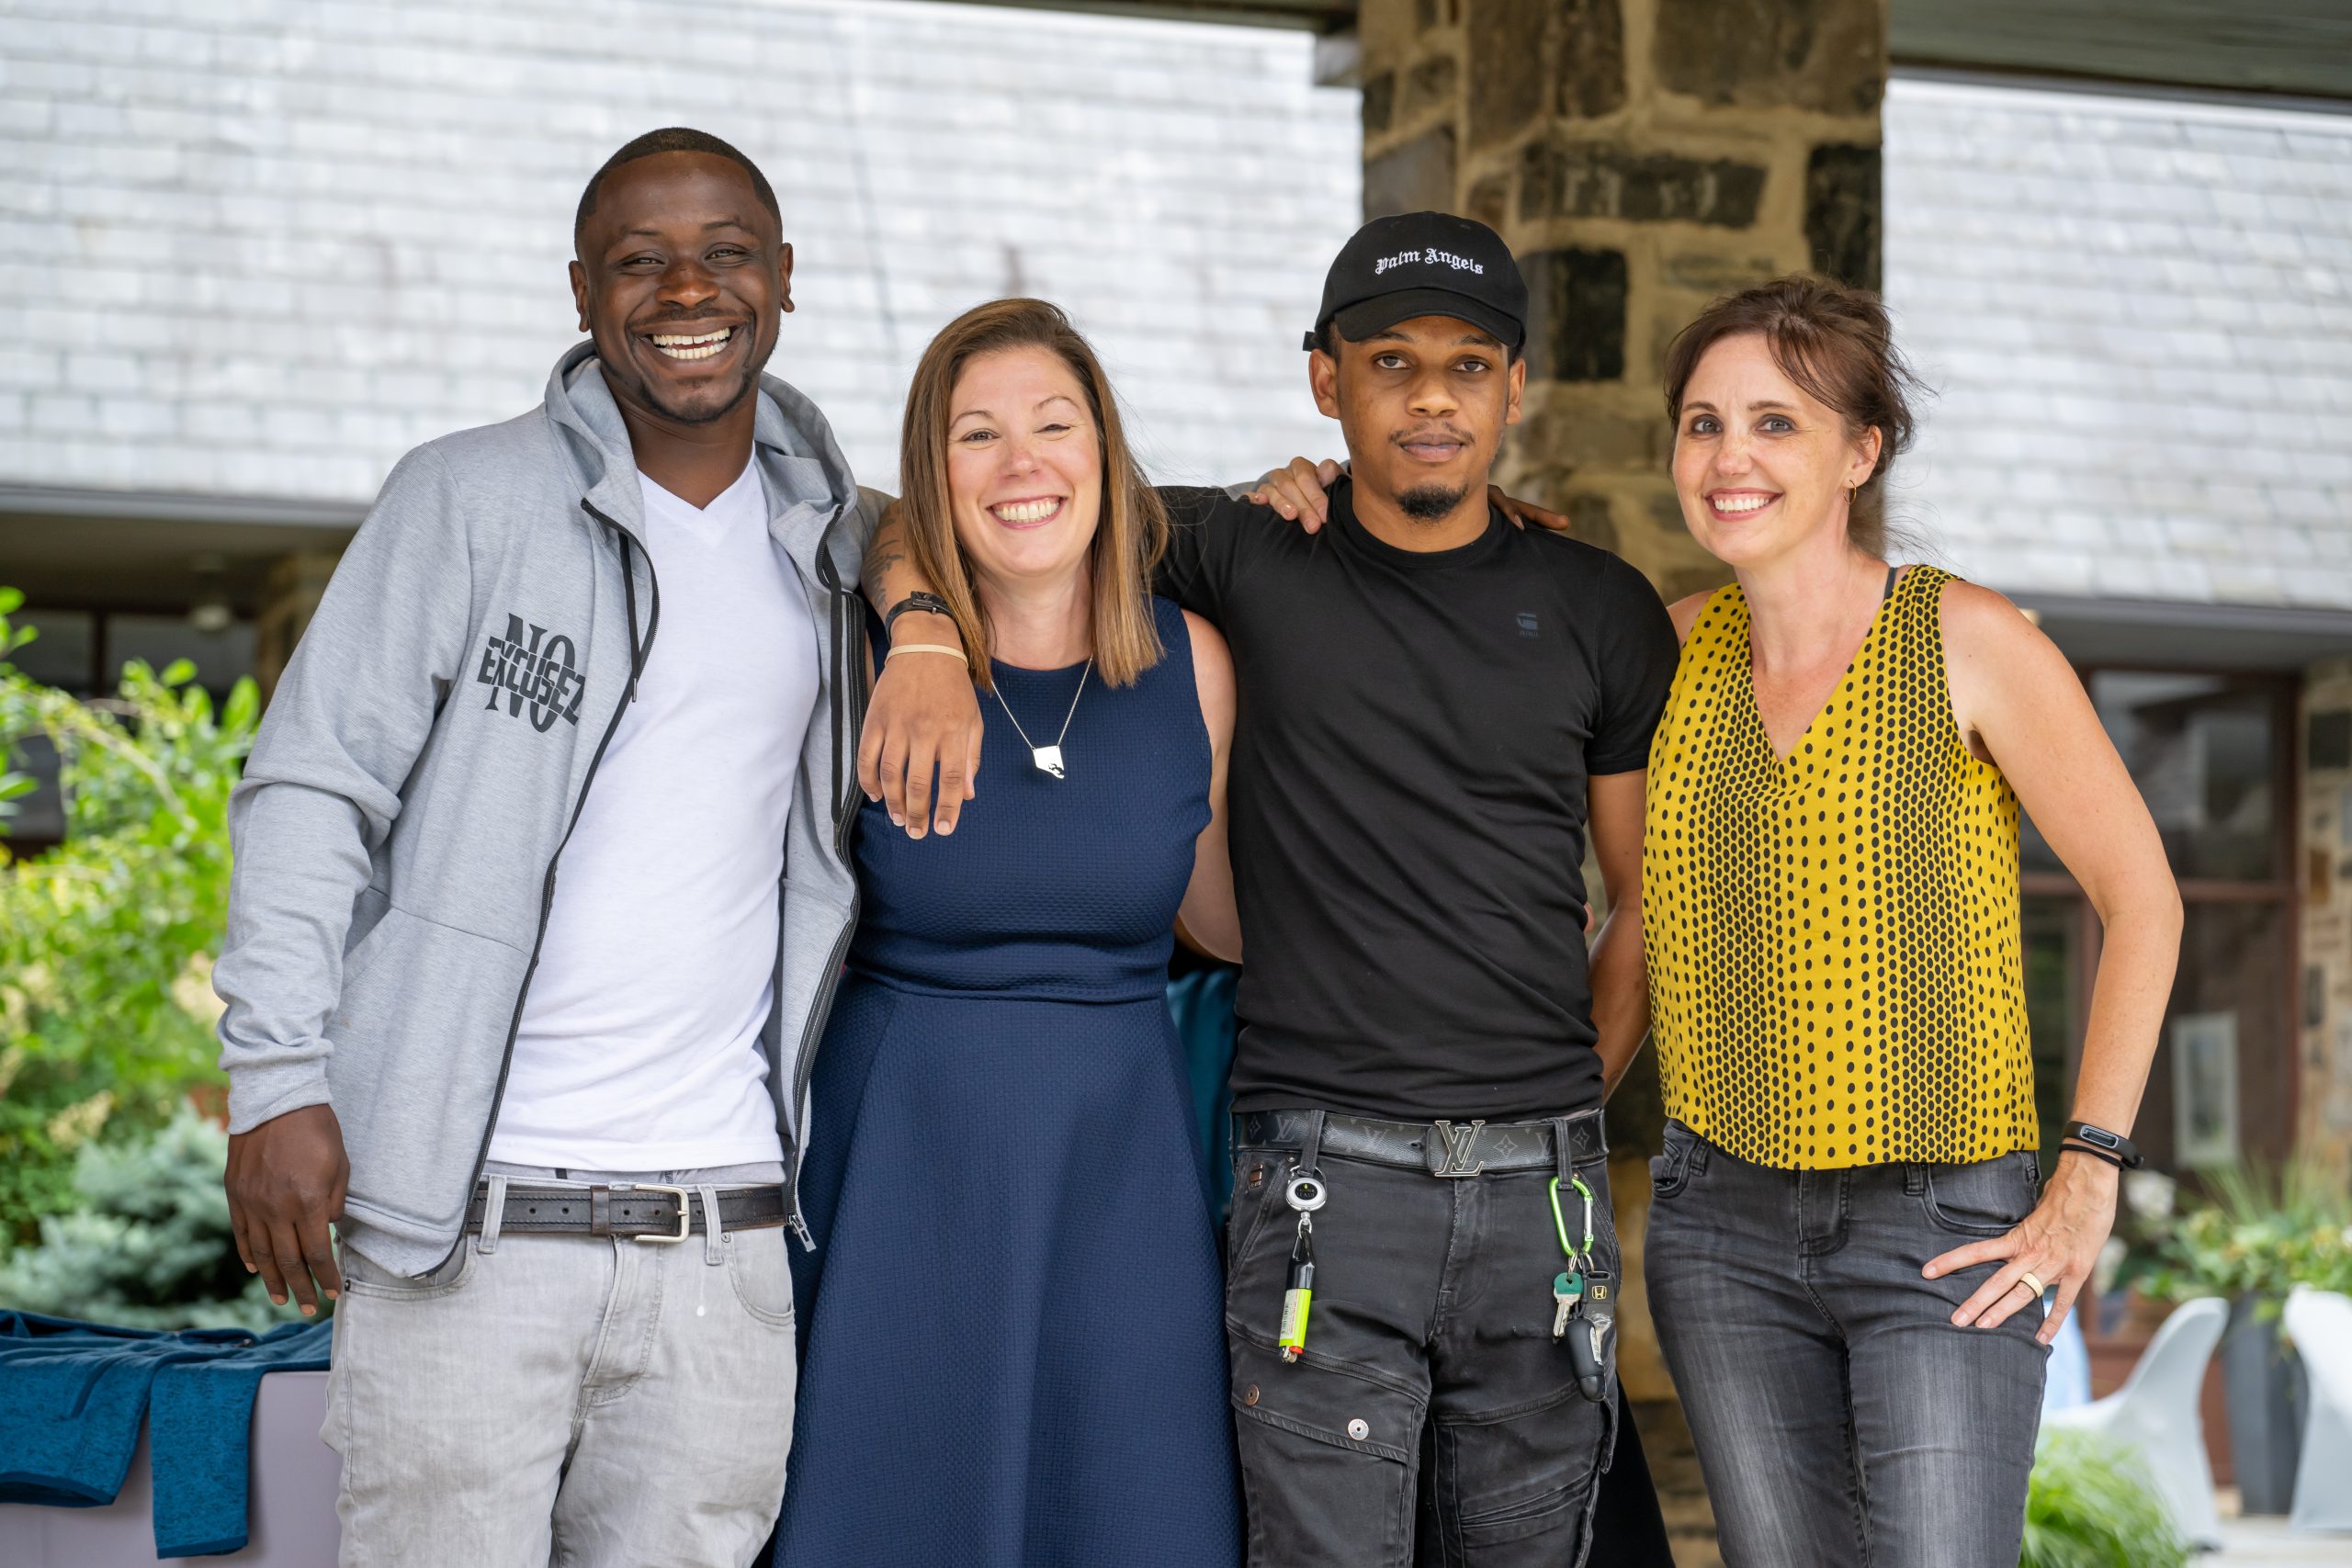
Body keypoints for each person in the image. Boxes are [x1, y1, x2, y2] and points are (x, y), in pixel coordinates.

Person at [211, 128, 980, 1567]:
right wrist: (275, 1081)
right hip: (467, 1234)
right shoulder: (467, 498)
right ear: (582, 291)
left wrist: (1308, 509)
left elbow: (1065, 518)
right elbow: (313, 784)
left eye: (726, 253)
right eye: (641, 260)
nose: (687, 288)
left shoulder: (843, 545)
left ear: (785, 279)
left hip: (725, 1247)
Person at [1138, 211, 1679, 1568]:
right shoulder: (1244, 552)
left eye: (1468, 364)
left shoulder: (1597, 605)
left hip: (1538, 1199)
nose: (1431, 397)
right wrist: (913, 635)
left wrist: (1567, 1097)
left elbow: (1649, 901)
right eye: (1391, 363)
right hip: (1324, 1179)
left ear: (1511, 386)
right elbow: (985, 518)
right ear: (1326, 379)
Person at [1634, 276, 2180, 1567]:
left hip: (1948, 1229)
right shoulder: (1655, 657)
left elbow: (2142, 898)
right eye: (1703, 424)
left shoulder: (1967, 641)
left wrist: (2088, 1176)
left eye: (1776, 424)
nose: (1729, 458)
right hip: (1719, 1229)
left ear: (1860, 450)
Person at [772, 298, 1244, 1567]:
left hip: (1119, 1167)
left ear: (1107, 451)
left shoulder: (1193, 661)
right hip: (902, 1162)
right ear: (936, 474)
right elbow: (853, 521)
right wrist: (920, 622)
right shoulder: (866, 649)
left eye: (1054, 424)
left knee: (1133, 1515)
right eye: (977, 435)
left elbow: (1221, 916)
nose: (1023, 463)